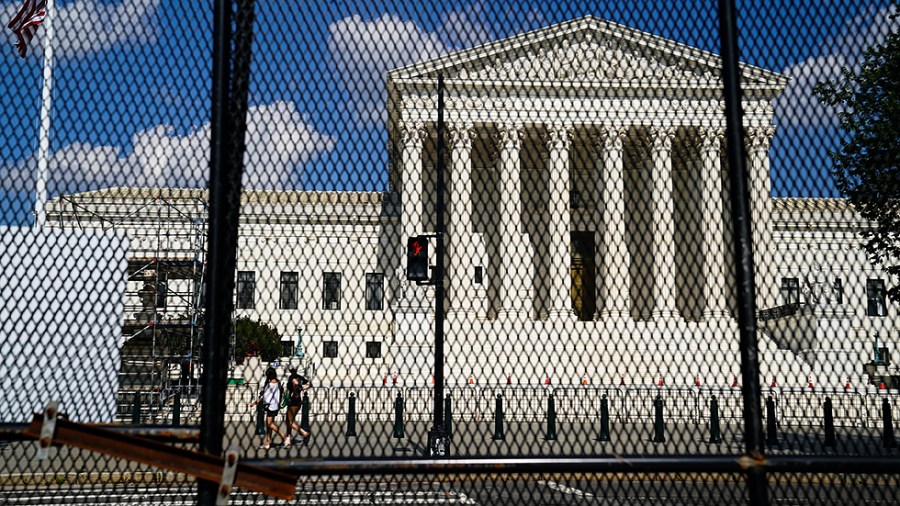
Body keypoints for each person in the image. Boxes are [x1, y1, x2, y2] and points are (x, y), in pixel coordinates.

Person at [248, 367, 288, 449]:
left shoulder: (269, 384)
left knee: (270, 424)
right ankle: (267, 442)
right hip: (276, 405)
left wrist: (255, 403)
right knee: (268, 424)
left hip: (271, 406)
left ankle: (285, 437)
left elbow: (264, 397)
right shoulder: (278, 383)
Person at [284, 367, 312, 446]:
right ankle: (288, 438)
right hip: (298, 400)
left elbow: (295, 384)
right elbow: (309, 384)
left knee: (289, 421)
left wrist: (295, 391)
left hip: (293, 400)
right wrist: (301, 389)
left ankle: (304, 433)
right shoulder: (300, 377)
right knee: (289, 420)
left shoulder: (292, 378)